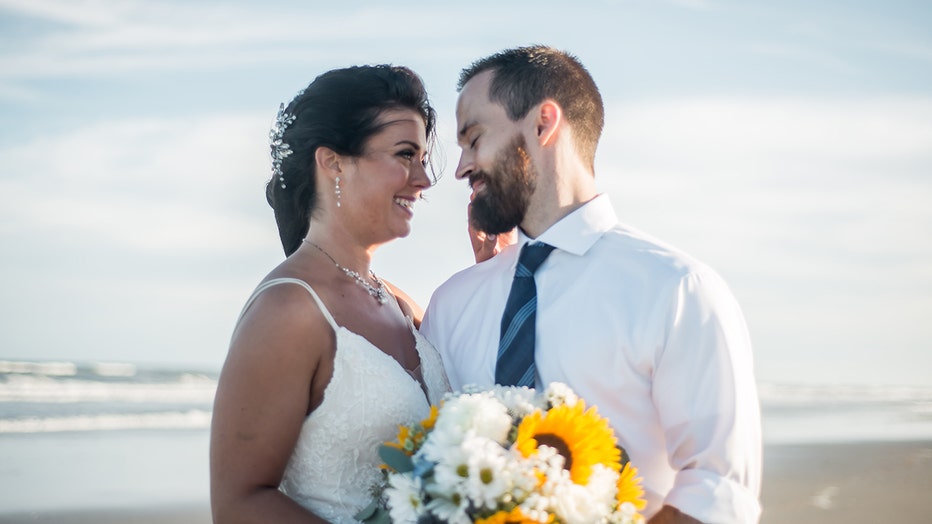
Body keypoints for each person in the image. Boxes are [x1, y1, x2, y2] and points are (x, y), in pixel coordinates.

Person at [420, 46, 762, 523]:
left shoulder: (677, 290)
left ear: (543, 124)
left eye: (474, 139)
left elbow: (718, 486)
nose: (460, 168)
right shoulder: (452, 305)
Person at [210, 65, 451, 523]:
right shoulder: (288, 310)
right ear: (333, 162)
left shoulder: (404, 306)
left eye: (423, 159)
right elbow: (237, 505)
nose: (423, 179)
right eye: (405, 154)